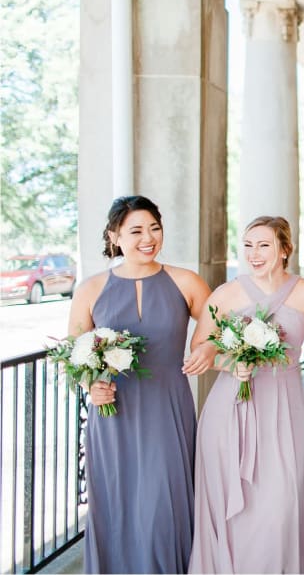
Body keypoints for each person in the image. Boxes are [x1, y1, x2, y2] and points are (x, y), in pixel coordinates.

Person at [67, 195, 210, 573]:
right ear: (114, 236)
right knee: (116, 506)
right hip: (113, 416)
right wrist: (91, 386)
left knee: (164, 508)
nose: (148, 238)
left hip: (168, 410)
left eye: (154, 228)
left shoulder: (187, 281)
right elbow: (75, 355)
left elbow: (222, 329)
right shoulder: (91, 288)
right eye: (136, 231)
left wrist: (208, 349)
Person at [187, 216, 304, 574]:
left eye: (264, 245)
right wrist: (229, 362)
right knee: (233, 512)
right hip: (230, 409)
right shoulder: (226, 294)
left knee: (280, 507)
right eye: (248, 245)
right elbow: (199, 348)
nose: (254, 253)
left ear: (284, 249)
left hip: (285, 411)